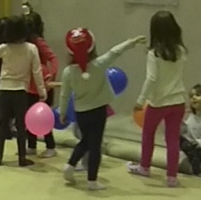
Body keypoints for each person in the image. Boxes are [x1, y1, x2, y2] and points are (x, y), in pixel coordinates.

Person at [59, 28, 146, 189]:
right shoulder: (99, 64)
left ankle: (70, 165)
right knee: (94, 145)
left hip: (81, 112)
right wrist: (131, 42)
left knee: (85, 141)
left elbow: (64, 95)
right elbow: (115, 52)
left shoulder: (68, 72)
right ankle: (92, 180)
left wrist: (62, 112)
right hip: (98, 111)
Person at [127, 11, 188, 187]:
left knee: (148, 134)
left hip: (158, 102)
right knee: (173, 139)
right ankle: (172, 177)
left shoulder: (154, 54)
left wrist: (140, 100)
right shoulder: (181, 51)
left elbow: (151, 79)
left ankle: (144, 166)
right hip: (178, 101)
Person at [0, 15, 45, 167]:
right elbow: (37, 71)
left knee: (3, 123)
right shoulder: (31, 48)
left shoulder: (4, 48)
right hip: (21, 91)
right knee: (21, 125)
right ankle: (22, 157)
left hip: (4, 89)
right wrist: (42, 90)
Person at [25, 12, 58, 158]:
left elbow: (53, 57)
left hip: (42, 84)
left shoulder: (37, 42)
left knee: (44, 117)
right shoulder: (24, 43)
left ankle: (50, 146)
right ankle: (31, 145)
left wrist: (52, 74)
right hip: (29, 85)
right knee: (29, 116)